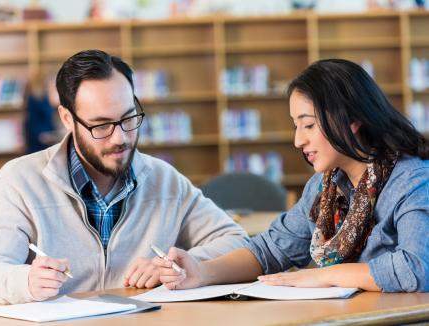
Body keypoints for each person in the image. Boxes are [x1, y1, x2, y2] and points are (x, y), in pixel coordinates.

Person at [0, 49, 249, 304]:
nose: (121, 138)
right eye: (101, 125)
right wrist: (25, 282)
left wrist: (178, 264)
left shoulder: (165, 180)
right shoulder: (19, 182)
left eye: (128, 118)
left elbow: (238, 243)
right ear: (67, 118)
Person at [155, 58, 429, 293]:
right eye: (295, 126)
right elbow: (270, 251)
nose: (298, 140)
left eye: (308, 125)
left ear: (352, 119)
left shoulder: (412, 180)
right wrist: (201, 272)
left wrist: (323, 275)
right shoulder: (325, 187)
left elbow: (417, 268)